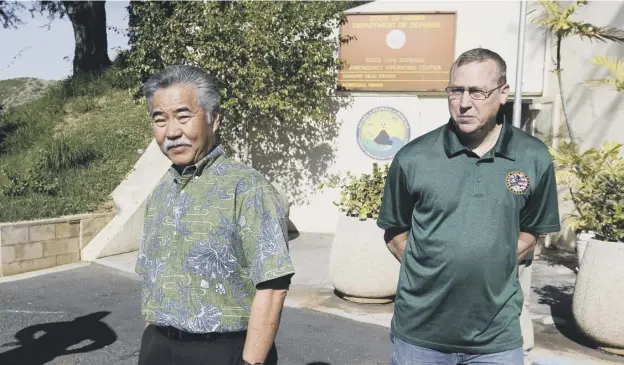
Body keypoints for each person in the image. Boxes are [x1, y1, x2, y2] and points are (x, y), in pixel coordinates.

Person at [377, 48, 560, 365]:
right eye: (455, 90)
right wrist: (427, 267)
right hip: (420, 335)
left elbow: (532, 228)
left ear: (503, 93)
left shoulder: (533, 157)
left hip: (496, 339)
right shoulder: (414, 157)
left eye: (477, 92)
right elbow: (395, 230)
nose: (463, 103)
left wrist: (494, 257)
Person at [135, 64, 296, 365]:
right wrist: (152, 341)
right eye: (160, 119)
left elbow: (273, 286)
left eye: (184, 116)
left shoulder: (247, 188)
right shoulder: (161, 193)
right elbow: (152, 280)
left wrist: (250, 363)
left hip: (223, 351)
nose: (171, 132)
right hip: (158, 346)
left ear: (214, 119)